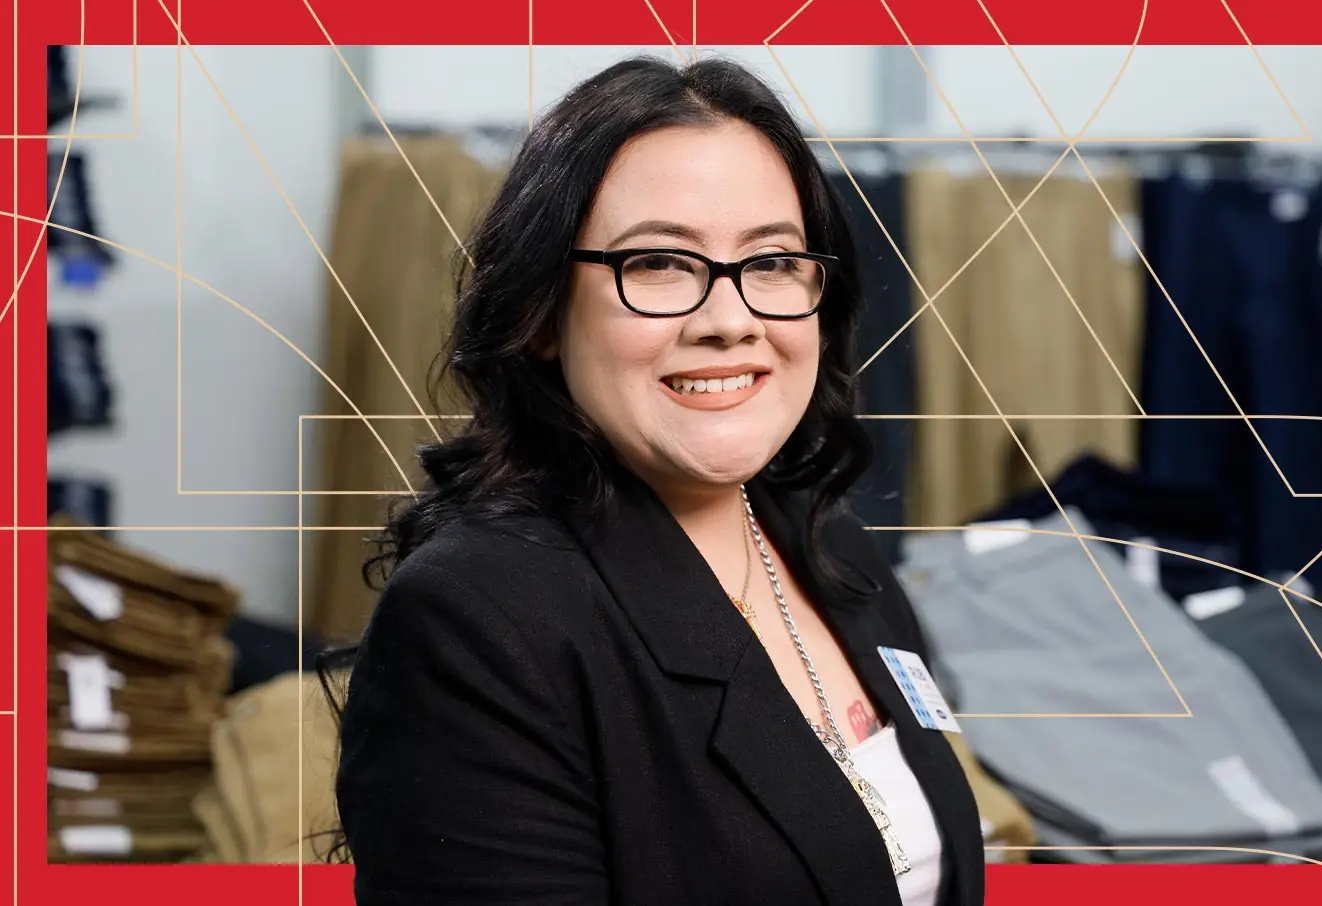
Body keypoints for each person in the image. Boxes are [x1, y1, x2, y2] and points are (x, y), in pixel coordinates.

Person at [325, 56, 987, 906]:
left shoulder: (826, 544)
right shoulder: (477, 623)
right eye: (660, 265)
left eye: (773, 263)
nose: (730, 320)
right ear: (542, 316)